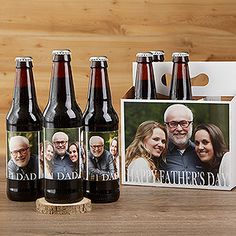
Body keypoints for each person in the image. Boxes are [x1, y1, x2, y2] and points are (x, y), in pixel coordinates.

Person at [163, 104, 203, 184]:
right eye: (173, 124)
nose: (179, 129)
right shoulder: (159, 152)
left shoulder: (202, 151)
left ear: (191, 125)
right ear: (166, 126)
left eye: (183, 123)